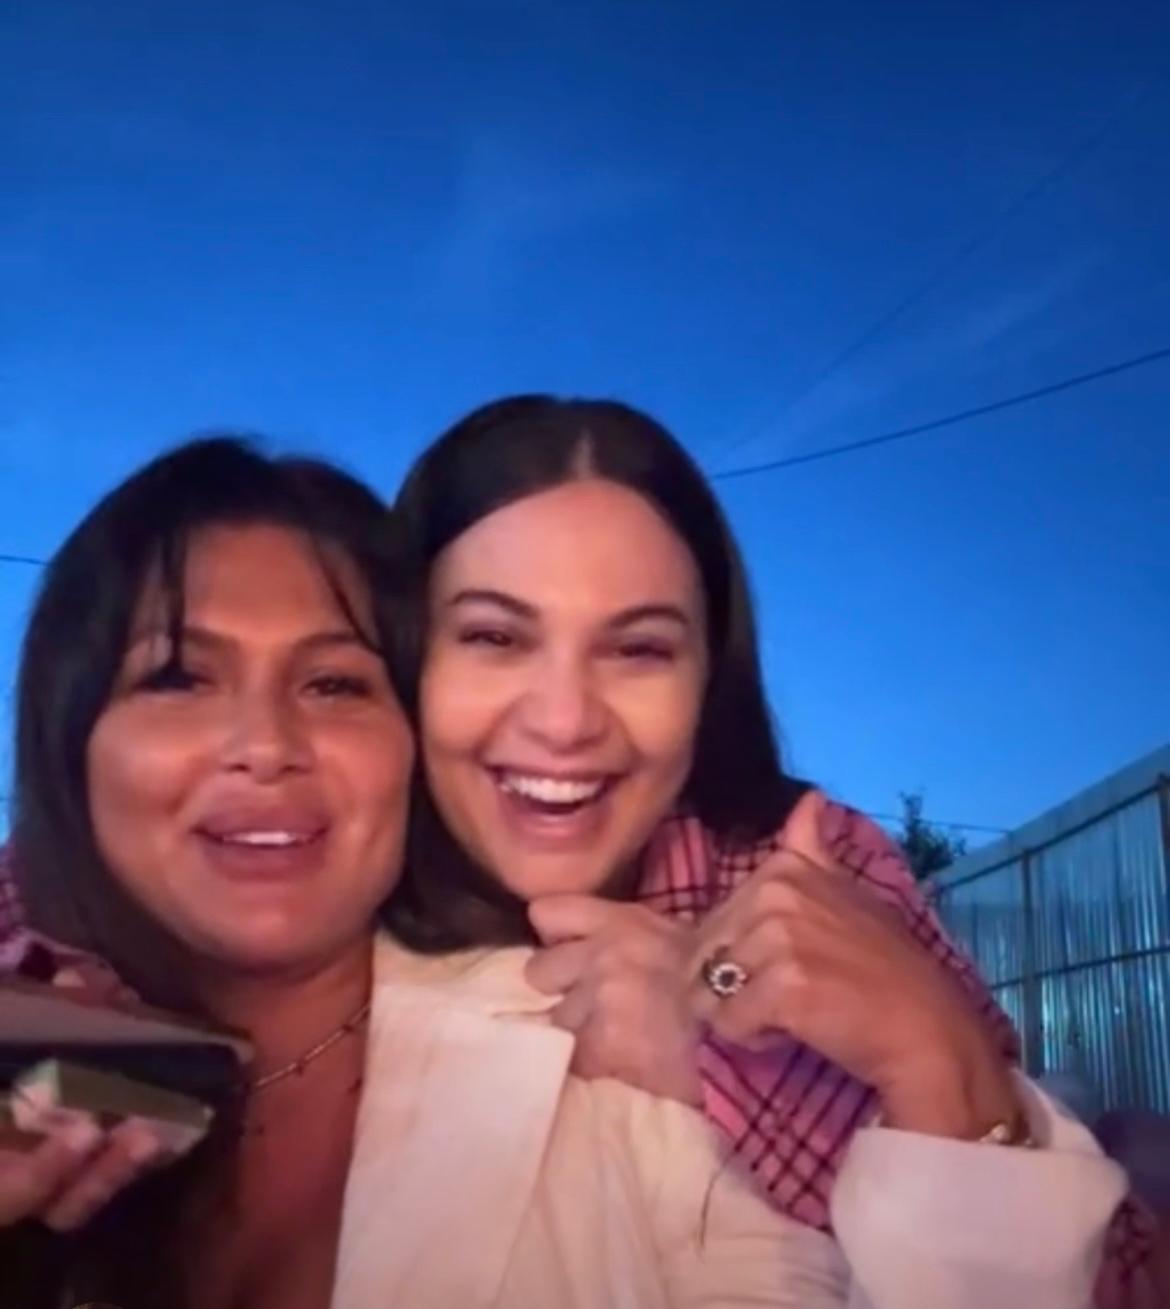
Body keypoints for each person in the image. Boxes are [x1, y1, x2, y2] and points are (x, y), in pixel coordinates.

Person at [8, 436, 1122, 1309]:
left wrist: (935, 1066)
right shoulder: (45, 1009)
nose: (264, 745)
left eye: (335, 683)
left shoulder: (670, 1009)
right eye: (178, 678)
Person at [384, 392, 1156, 1304]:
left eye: (638, 650)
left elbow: (1127, 1281)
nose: (564, 720)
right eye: (494, 637)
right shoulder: (319, 908)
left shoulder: (819, 871)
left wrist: (910, 1057)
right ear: (406, 654)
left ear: (708, 678)